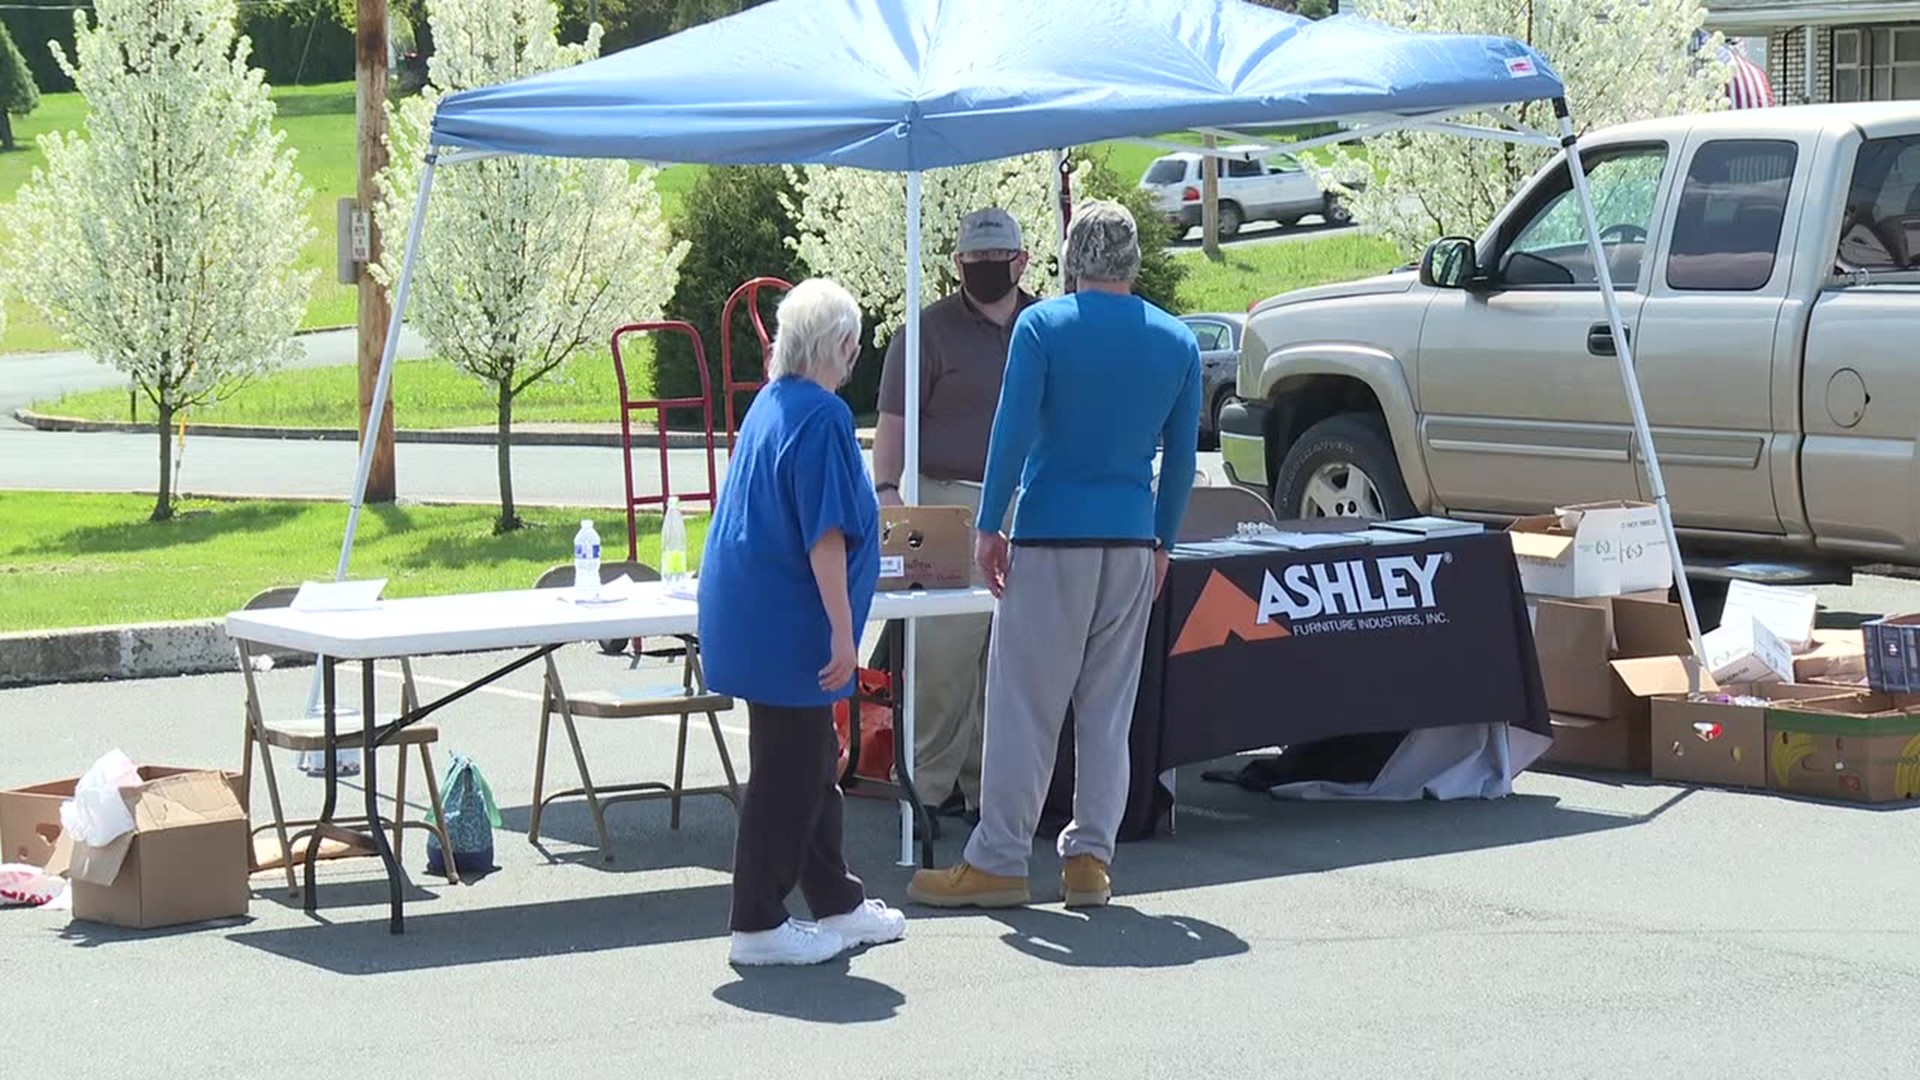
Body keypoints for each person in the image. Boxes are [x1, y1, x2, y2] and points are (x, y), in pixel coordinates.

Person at [907, 200, 1202, 910]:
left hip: (1051, 533)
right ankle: (1091, 859)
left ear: (1071, 261)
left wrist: (987, 526)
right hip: (1132, 540)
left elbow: (1010, 435)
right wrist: (1164, 539)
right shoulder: (1177, 341)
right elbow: (1184, 459)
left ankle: (1001, 857)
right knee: (1107, 711)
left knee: (1024, 709)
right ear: (1132, 262)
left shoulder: (1041, 326)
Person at [697, 278, 908, 966]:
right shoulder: (822, 416)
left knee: (814, 761)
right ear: (843, 346)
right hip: (789, 621)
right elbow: (825, 536)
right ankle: (756, 921)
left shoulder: (772, 403)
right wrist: (844, 636)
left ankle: (837, 902)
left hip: (754, 611)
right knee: (788, 773)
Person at [872, 207, 1034, 824]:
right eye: (978, 262)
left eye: (1000, 261)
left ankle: (990, 791)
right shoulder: (925, 333)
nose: (990, 271)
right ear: (958, 264)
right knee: (941, 659)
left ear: (1021, 261)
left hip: (1029, 501)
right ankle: (927, 793)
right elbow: (893, 423)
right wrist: (888, 493)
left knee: (1011, 661)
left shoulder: (1045, 325)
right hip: (946, 504)